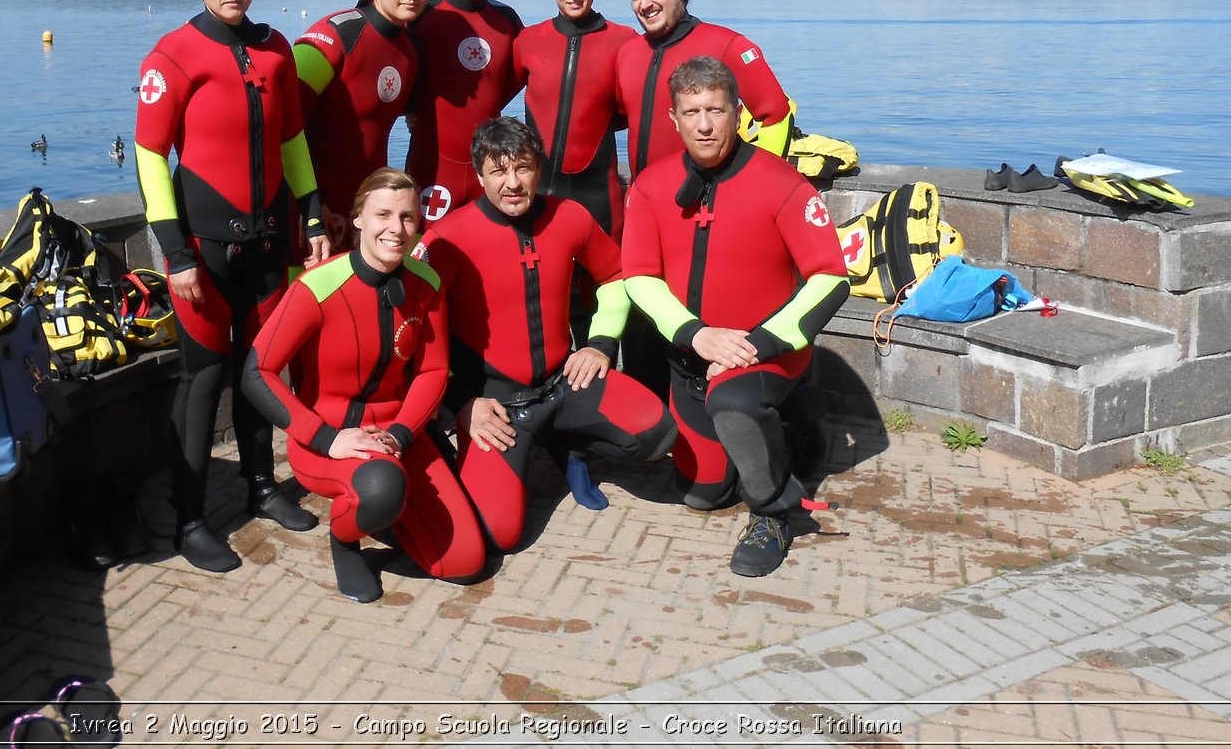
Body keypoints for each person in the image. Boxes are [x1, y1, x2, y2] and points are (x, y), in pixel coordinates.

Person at [134, 0, 331, 574]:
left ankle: (262, 488)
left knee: (257, 372)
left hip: (270, 243)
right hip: (203, 249)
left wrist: (310, 213)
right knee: (203, 379)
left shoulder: (275, 50)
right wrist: (174, 251)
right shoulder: (174, 56)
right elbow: (149, 158)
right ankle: (191, 520)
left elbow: (293, 139)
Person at [621, 56, 847, 578]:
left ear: (737, 113)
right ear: (673, 119)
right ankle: (783, 435)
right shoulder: (651, 187)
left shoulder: (781, 182)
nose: (704, 124)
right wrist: (695, 336)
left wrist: (760, 344)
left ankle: (774, 513)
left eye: (716, 110)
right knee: (703, 494)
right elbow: (638, 276)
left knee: (737, 404)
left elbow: (830, 278)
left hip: (763, 355)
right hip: (691, 360)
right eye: (692, 111)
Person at [421, 118, 675, 554]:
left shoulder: (569, 216)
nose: (513, 183)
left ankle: (570, 448)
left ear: (538, 168)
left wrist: (600, 344)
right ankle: (527, 452)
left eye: (523, 167)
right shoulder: (447, 238)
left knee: (658, 433)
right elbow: (420, 329)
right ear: (480, 176)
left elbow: (615, 276)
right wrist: (460, 404)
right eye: (499, 172)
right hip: (497, 404)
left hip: (565, 383)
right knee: (497, 535)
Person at [242, 168, 487, 603]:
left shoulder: (426, 283)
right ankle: (346, 540)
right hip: (331, 440)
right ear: (358, 218)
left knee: (465, 563)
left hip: (399, 435)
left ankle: (385, 509)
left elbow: (432, 372)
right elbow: (255, 373)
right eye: (383, 215)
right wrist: (326, 438)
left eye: (408, 218)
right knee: (380, 488)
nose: (396, 229)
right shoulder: (316, 287)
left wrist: (401, 434)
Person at [294, 0, 437, 250]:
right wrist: (309, 208)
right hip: (312, 209)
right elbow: (281, 126)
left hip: (367, 212)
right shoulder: (337, 36)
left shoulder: (410, 50)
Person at [616, 0, 793, 179]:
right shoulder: (628, 54)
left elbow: (777, 117)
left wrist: (754, 182)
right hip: (644, 202)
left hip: (709, 204)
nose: (645, 3)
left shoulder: (728, 46)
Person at [510, 0, 636, 239]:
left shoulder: (624, 41)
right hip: (538, 190)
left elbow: (635, 111)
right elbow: (491, 98)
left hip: (599, 194)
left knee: (605, 282)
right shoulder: (529, 41)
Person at [405, 0, 524, 224]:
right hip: (431, 169)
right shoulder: (422, 13)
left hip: (488, 172)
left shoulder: (507, 22)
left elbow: (507, 85)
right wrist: (408, 106)